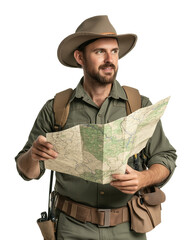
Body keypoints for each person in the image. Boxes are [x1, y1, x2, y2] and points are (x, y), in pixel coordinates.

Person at [15, 15, 177, 240]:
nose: (109, 59)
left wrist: (144, 178)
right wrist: (33, 155)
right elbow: (26, 171)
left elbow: (166, 157)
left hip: (128, 229)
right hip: (71, 228)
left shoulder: (138, 105)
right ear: (80, 57)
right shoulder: (57, 108)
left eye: (114, 51)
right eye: (100, 51)